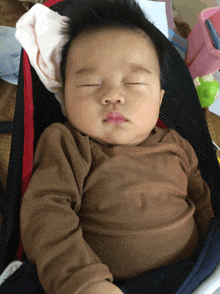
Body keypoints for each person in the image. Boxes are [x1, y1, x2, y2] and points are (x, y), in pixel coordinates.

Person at [20, 0, 214, 293]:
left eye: (134, 82)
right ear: (66, 98)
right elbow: (46, 214)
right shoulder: (68, 144)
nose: (113, 95)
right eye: (89, 84)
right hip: (112, 284)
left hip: (198, 272)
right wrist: (84, 281)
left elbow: (202, 202)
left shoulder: (177, 145)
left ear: (159, 100)